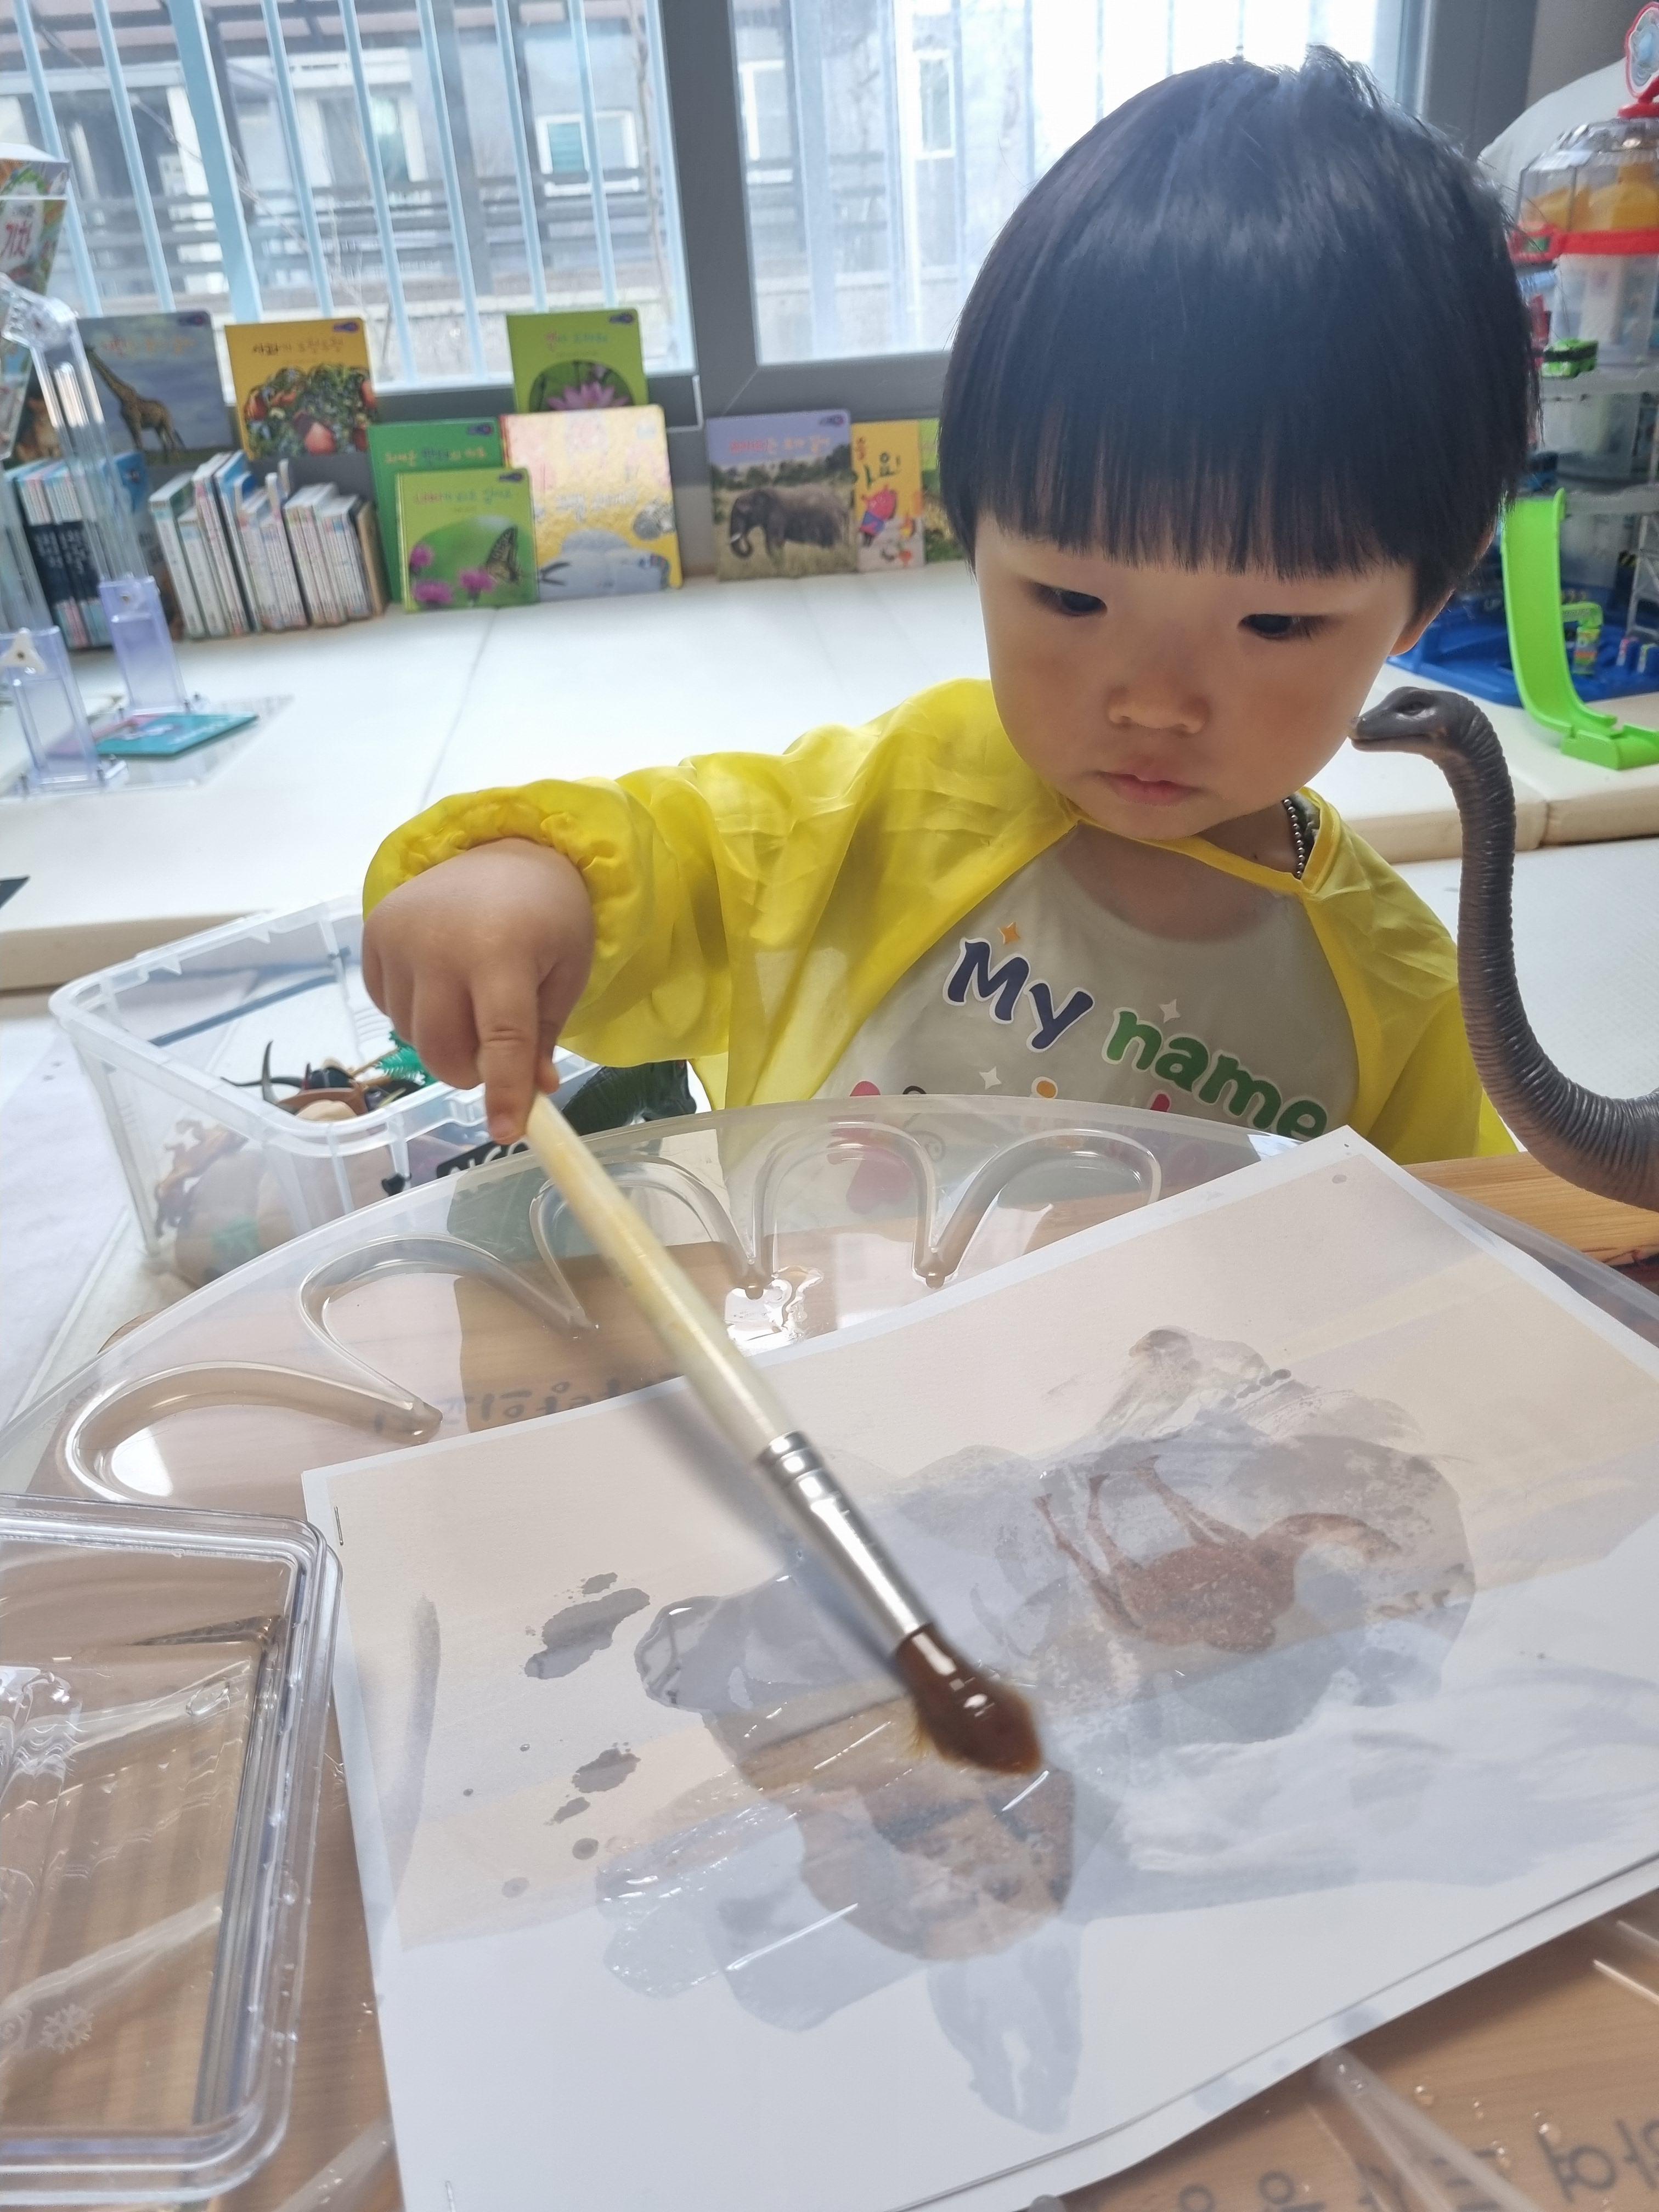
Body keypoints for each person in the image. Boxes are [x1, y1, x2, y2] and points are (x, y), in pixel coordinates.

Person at [363, 50, 1534, 1160]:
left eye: (1274, 625)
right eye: (1072, 597)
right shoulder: (889, 812)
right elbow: (682, 867)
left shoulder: (1403, 996)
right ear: (969, 536)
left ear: (1424, 600)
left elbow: (1457, 1248)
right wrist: (528, 885)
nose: (1155, 703)